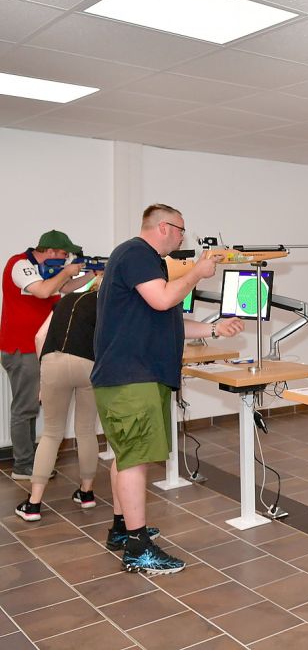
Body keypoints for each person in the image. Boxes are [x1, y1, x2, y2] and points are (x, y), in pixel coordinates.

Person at [91, 203, 244, 575]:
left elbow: (167, 318)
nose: (182, 238)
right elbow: (163, 299)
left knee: (127, 456)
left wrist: (213, 328)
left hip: (136, 376)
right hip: (132, 379)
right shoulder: (136, 254)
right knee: (134, 459)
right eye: (180, 231)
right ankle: (139, 547)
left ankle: (121, 530)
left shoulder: (145, 262)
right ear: (163, 228)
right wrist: (196, 273)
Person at [2, 230, 94, 480]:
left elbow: (65, 289)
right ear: (51, 251)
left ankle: (29, 460)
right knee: (25, 408)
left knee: (30, 406)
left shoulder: (48, 272)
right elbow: (43, 291)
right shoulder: (19, 264)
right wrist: (67, 271)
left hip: (40, 348)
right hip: (22, 348)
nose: (65, 259)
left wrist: (90, 274)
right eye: (64, 254)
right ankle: (23, 464)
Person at [15, 277, 102, 522]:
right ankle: (86, 493)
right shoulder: (109, 305)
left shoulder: (66, 301)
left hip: (54, 360)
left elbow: (39, 337)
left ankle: (33, 504)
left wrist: (45, 378)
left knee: (52, 433)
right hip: (90, 366)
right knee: (86, 430)